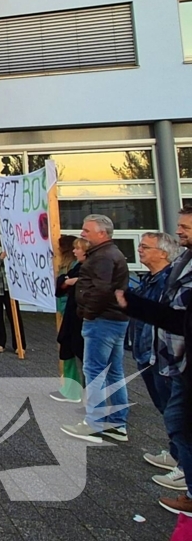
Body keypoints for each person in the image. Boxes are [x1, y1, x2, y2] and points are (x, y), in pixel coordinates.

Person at [116, 210, 192, 514]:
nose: (180, 232)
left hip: (176, 358)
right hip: (170, 356)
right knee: (175, 418)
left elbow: (178, 318)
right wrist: (134, 304)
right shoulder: (182, 264)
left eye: (185, 227)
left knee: (178, 420)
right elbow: (172, 317)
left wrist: (135, 305)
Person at [61, 214, 130, 444]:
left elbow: (101, 290)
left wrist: (88, 313)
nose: (82, 234)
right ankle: (117, 424)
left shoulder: (103, 257)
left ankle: (94, 424)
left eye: (86, 230)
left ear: (102, 233)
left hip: (102, 321)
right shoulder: (108, 254)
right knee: (113, 372)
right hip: (113, 319)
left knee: (95, 371)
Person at [129, 231, 181, 492]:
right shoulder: (148, 280)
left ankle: (184, 467)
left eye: (145, 247)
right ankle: (176, 454)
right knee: (165, 408)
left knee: (176, 412)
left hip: (163, 357)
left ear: (163, 252)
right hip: (146, 354)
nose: (140, 250)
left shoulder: (169, 282)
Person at [51, 236, 85, 402]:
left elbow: (67, 286)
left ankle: (74, 391)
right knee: (68, 350)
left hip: (72, 311)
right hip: (68, 308)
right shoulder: (68, 263)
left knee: (74, 351)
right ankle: (71, 388)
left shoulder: (75, 265)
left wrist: (67, 283)